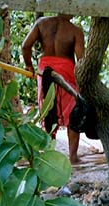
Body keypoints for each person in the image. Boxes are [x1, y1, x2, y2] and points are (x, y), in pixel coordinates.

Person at [22, 14, 85, 164]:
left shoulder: (42, 23)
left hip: (45, 70)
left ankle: (49, 154)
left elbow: (25, 46)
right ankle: (73, 157)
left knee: (48, 110)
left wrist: (28, 65)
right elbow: (81, 59)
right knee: (73, 114)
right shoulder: (75, 31)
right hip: (67, 71)